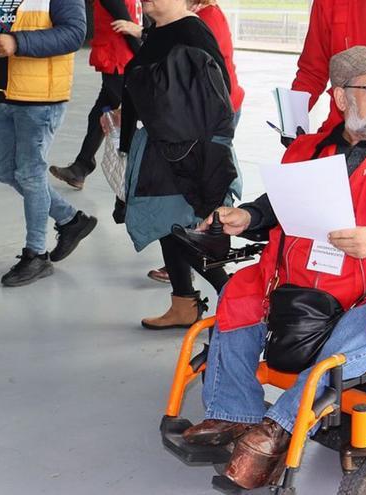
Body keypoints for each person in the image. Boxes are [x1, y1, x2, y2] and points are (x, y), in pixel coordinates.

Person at [181, 46, 366, 490]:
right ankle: (234, 413)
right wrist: (247, 216)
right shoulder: (308, 149)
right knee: (240, 290)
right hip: (302, 277)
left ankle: (279, 426)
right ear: (341, 98)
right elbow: (280, 204)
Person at [0, 0, 97, 287]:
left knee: (31, 174)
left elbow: (74, 32)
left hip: (40, 98)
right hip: (1, 93)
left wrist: (17, 42)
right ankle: (71, 220)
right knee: (6, 170)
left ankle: (36, 255)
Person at [119, 0, 238, 329]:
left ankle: (235, 299)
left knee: (182, 231)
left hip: (185, 153)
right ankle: (184, 303)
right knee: (166, 226)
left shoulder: (191, 32)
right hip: (162, 148)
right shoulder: (161, 29)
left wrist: (206, 162)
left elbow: (217, 101)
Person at [49, 0, 142, 191]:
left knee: (133, 118)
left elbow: (127, 27)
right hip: (119, 62)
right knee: (99, 115)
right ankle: (80, 168)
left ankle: (141, 175)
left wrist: (144, 56)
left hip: (119, 62)